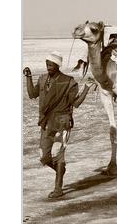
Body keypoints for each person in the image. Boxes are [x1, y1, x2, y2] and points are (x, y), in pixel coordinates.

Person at [23, 51, 94, 199]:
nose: (49, 67)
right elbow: (32, 94)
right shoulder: (42, 79)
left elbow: (76, 103)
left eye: (52, 64)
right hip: (46, 123)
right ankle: (60, 170)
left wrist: (86, 88)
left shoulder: (68, 81)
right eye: (47, 64)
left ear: (58, 65)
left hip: (62, 123)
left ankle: (58, 188)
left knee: (57, 155)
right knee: (44, 157)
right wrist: (28, 77)